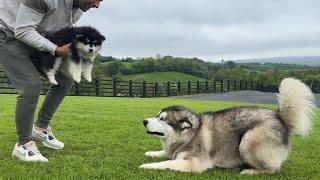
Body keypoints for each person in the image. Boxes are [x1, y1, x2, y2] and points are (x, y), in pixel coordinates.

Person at [0, 0, 102, 162]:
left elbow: (53, 29)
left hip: (34, 34)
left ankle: (40, 128)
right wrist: (55, 49)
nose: (97, 5)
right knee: (30, 86)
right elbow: (22, 30)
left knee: (66, 77)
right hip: (7, 31)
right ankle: (23, 144)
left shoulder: (80, 7)